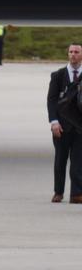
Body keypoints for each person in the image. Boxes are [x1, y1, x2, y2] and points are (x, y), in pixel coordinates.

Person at [47, 44, 82, 203]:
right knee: (60, 160)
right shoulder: (58, 75)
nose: (73, 55)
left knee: (78, 162)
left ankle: (76, 194)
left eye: (77, 52)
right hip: (61, 126)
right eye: (71, 52)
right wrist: (54, 121)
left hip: (80, 127)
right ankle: (58, 191)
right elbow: (52, 100)